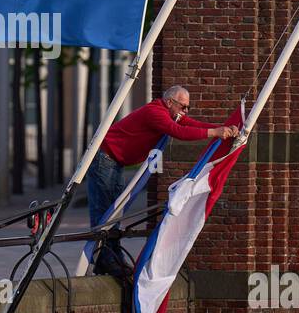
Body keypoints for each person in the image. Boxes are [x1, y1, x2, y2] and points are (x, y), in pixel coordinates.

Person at [87, 85, 238, 277]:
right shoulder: (155, 112)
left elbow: (190, 124)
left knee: (115, 211)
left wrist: (220, 129)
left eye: (187, 108)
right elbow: (179, 131)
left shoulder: (167, 113)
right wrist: (215, 133)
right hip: (105, 160)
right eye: (183, 107)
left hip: (114, 162)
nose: (185, 112)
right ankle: (104, 260)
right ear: (170, 102)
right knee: (106, 210)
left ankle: (112, 257)